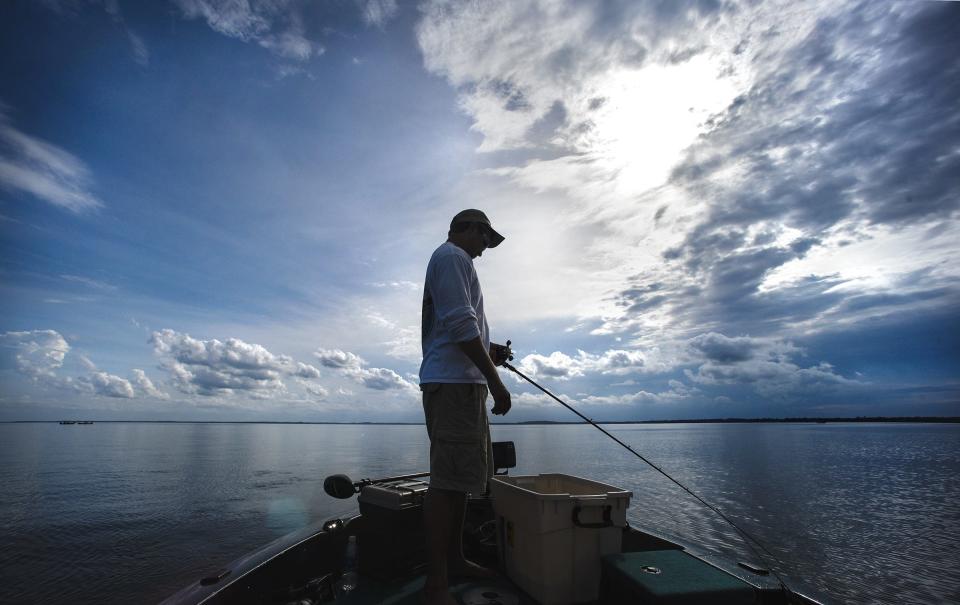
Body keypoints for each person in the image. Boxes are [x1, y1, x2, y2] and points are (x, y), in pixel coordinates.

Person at [419, 209, 512, 605]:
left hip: (459, 385)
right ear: (471, 229)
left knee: (458, 484)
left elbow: (455, 326)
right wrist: (496, 381)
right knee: (445, 485)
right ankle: (436, 583)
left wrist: (490, 353)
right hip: (456, 388)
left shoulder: (451, 261)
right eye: (486, 240)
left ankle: (454, 561)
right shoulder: (453, 257)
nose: (485, 250)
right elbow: (459, 324)